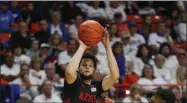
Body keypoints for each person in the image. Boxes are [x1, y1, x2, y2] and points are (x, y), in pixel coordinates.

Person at [63, 28, 119, 103]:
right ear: (78, 68)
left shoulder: (96, 86)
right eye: (84, 65)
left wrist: (107, 47)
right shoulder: (73, 81)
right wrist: (82, 47)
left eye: (90, 66)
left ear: (94, 70)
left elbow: (115, 75)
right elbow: (69, 72)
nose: (87, 67)